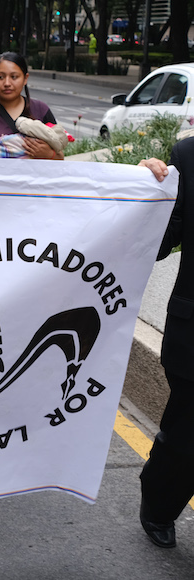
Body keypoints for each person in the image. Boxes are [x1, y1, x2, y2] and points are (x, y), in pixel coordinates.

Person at [138, 147, 194, 550]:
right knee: (186, 439)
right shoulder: (189, 156)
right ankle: (159, 503)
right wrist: (141, 192)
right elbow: (160, 240)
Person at [0, 52, 60, 158]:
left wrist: (49, 155)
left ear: (25, 78)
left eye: (14, 77)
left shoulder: (41, 110)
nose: (7, 83)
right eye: (0, 77)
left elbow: (60, 154)